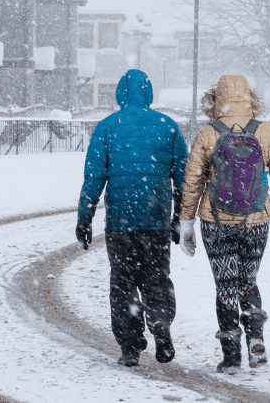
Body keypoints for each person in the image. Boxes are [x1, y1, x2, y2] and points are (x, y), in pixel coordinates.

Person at [178, 74, 270, 375]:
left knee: (226, 285)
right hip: (256, 221)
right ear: (250, 98)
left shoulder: (208, 133)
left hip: (216, 222)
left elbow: (192, 181)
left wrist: (186, 223)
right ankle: (256, 342)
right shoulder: (266, 132)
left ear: (215, 100)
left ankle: (231, 357)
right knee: (248, 281)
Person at [76, 69, 188, 367]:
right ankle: (160, 322)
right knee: (156, 279)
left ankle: (130, 345)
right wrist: (180, 217)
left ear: (120, 95)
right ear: (149, 93)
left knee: (123, 283)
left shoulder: (107, 127)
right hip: (156, 220)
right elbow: (184, 179)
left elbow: (94, 177)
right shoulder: (168, 126)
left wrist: (84, 218)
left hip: (120, 223)